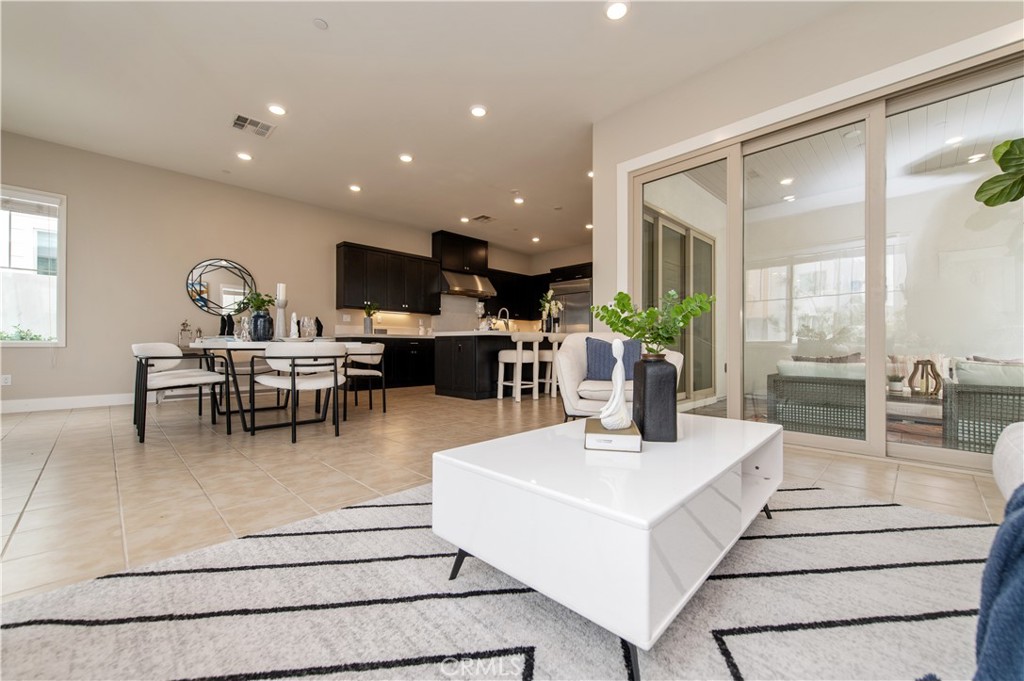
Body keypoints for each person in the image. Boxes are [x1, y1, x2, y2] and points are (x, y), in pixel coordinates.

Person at [599, 338, 632, 430]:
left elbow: (618, 392)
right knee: (605, 419)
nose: (614, 351)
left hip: (619, 403)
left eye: (616, 348)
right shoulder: (617, 365)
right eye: (613, 348)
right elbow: (615, 390)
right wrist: (607, 406)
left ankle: (622, 420)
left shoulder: (619, 367)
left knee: (606, 420)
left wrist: (609, 411)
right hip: (616, 401)